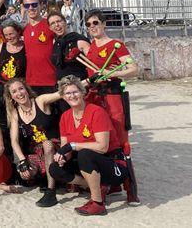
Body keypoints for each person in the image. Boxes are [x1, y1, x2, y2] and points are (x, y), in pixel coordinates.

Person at [49, 75, 131, 216]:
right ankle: (94, 186)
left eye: (75, 92)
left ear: (83, 93)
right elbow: (65, 148)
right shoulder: (65, 117)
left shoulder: (96, 112)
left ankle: (97, 203)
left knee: (85, 154)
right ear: (63, 97)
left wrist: (74, 145)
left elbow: (102, 147)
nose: (72, 96)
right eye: (67, 93)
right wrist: (63, 157)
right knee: (55, 168)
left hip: (112, 164)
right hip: (89, 165)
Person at [83, 10, 139, 156]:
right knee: (98, 130)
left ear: (104, 24)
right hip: (93, 94)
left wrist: (113, 73)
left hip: (111, 95)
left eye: (95, 23)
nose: (92, 27)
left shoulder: (116, 44)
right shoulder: (91, 46)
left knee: (117, 128)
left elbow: (133, 69)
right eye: (88, 24)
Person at [4, 78, 62, 207]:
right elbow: (14, 140)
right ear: (11, 97)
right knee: (26, 174)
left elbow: (62, 92)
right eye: (14, 91)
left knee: (47, 145)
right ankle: (44, 180)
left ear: (27, 89)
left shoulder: (40, 101)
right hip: (36, 152)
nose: (19, 93)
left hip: (56, 146)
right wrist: (22, 160)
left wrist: (87, 81)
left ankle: (51, 191)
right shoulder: (15, 113)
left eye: (21, 88)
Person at [21, 0, 57, 95]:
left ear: (41, 5)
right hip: (31, 81)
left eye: (34, 4)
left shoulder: (50, 24)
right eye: (27, 5)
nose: (31, 8)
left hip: (51, 80)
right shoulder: (23, 29)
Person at [49, 12, 90, 82]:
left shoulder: (79, 41)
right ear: (50, 28)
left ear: (65, 22)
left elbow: (93, 62)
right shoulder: (56, 43)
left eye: (59, 21)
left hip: (79, 85)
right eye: (53, 23)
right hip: (62, 86)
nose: (57, 25)